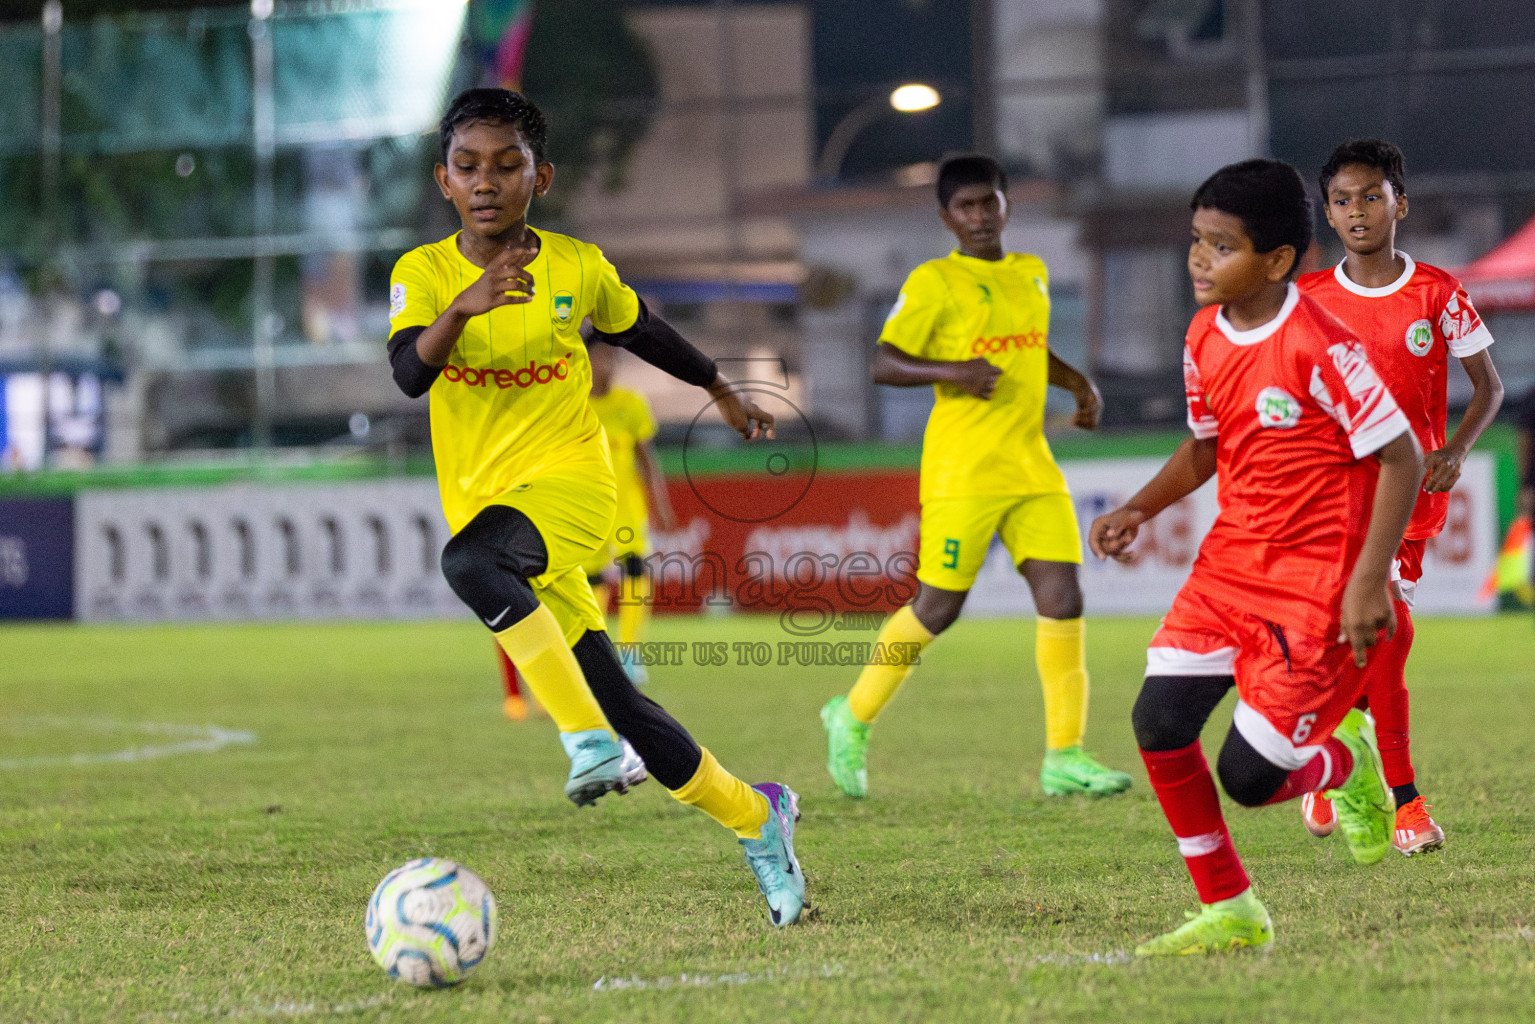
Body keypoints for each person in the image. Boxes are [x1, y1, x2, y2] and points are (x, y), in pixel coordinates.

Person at [386, 88, 805, 926]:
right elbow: (407, 371)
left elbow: (640, 327)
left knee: (469, 563)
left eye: (507, 165)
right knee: (632, 709)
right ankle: (759, 817)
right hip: (492, 508)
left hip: (572, 489)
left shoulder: (576, 267)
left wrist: (718, 385)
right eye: (468, 166)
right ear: (443, 180)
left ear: (540, 176)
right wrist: (464, 308)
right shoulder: (424, 274)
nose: (486, 182)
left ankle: (584, 743)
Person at [1089, 159, 1424, 956]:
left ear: (1276, 261)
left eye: (1221, 246)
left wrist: (1368, 581)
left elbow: (1401, 457)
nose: (1200, 260)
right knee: (1158, 723)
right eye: (1195, 242)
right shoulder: (1203, 332)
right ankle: (1231, 909)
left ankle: (1346, 765)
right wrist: (1139, 506)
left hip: (1313, 590)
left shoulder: (1319, 344)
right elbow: (1207, 447)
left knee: (1250, 780)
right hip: (1228, 569)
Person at [820, 153, 1133, 800]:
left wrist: (1076, 383)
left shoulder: (1032, 273)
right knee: (938, 608)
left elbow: (1027, 349)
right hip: (963, 469)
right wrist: (952, 371)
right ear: (946, 217)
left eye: (988, 202)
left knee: (1062, 598)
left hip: (1030, 465)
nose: (979, 216)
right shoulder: (934, 281)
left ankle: (1063, 756)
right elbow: (883, 362)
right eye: (965, 207)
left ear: (1006, 206)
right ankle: (849, 716)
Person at [1296, 138, 1503, 855]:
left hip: (1412, 502)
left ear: (1399, 204)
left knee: (1367, 652)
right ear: (1326, 213)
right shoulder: (1309, 300)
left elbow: (1489, 386)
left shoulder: (1437, 293)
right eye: (1342, 200)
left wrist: (1456, 448)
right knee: (1386, 639)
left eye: (1371, 197)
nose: (1357, 211)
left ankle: (1330, 766)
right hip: (1336, 502)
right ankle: (1407, 804)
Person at [579, 340, 676, 686]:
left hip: (626, 505)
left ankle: (630, 651)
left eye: (611, 356)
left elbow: (646, 457)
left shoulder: (630, 404)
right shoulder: (572, 405)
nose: (607, 363)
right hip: (585, 507)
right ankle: (597, 652)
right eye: (599, 356)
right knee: (590, 581)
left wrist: (660, 502)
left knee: (635, 566)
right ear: (584, 359)